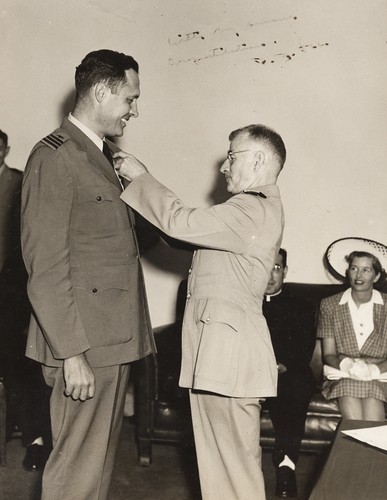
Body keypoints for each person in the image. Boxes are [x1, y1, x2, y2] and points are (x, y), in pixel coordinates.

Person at [114, 123, 286, 500]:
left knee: (234, 475)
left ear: (258, 160)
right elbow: (180, 235)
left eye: (231, 156)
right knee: (221, 473)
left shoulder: (251, 207)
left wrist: (143, 178)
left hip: (229, 360)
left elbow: (180, 222)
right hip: (221, 360)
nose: (224, 167)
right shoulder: (248, 211)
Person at [21, 50, 155, 499]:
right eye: (129, 99)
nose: (134, 110)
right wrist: (72, 353)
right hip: (82, 343)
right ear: (101, 92)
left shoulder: (103, 157)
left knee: (94, 468)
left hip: (110, 338)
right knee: (76, 468)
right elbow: (45, 267)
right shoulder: (56, 157)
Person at [0, 129, 52, 471]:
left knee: (19, 364)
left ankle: (36, 439)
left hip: (13, 293)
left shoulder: (19, 184)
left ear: (5, 149)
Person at [318, 237, 387, 421]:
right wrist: (348, 366)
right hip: (342, 374)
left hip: (379, 375)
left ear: (376, 276)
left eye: (366, 270)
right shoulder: (329, 305)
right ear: (348, 272)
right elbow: (328, 354)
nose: (359, 275)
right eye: (354, 268)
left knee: (373, 395)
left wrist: (372, 370)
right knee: (348, 389)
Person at [263, 248, 316, 498]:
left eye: (275, 267)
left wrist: (281, 365)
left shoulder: (301, 306)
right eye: (263, 266)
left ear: (284, 271)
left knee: (296, 385)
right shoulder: (242, 304)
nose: (269, 275)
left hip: (285, 373)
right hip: (248, 373)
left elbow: (304, 348)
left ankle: (286, 467)